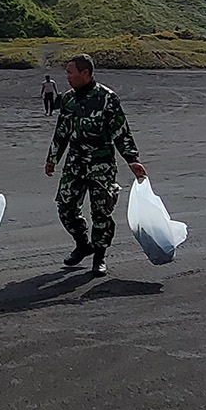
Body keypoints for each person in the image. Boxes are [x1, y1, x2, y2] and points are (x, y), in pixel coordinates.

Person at [45, 54, 148, 277]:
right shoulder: (69, 100)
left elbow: (121, 131)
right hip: (75, 163)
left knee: (101, 211)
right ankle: (83, 244)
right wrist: (52, 158)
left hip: (101, 164)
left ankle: (99, 258)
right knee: (66, 206)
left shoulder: (107, 98)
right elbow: (62, 131)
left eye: (71, 73)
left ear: (85, 73)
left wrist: (132, 159)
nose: (68, 77)